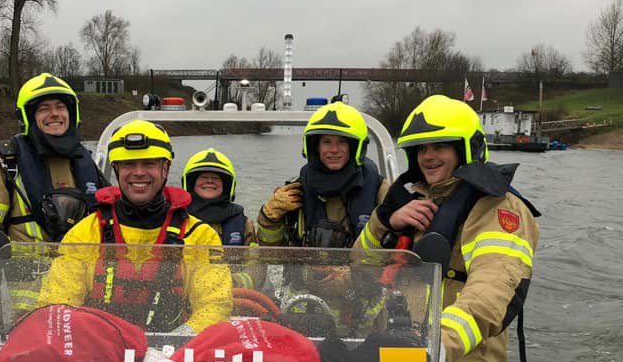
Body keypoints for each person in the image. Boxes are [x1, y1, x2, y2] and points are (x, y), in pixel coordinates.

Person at [357, 95, 540, 362]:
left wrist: (434, 346)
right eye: (420, 149)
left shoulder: (499, 211)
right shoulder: (408, 202)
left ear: (467, 149)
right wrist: (386, 221)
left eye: (440, 146)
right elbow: (355, 273)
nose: (428, 157)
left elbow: (488, 296)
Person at [37, 120, 232, 335]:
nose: (138, 173)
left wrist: (177, 341)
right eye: (129, 164)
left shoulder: (200, 236)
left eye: (148, 164)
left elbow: (215, 306)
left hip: (173, 359)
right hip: (99, 353)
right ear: (116, 169)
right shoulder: (85, 233)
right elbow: (57, 304)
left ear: (165, 168)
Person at [255, 102, 389, 330]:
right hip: (304, 316)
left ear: (356, 147)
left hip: (361, 319)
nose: (333, 149)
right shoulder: (294, 192)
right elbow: (272, 255)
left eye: (341, 142)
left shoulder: (380, 192)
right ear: (315, 147)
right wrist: (269, 218)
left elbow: (395, 259)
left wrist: (349, 276)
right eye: (326, 142)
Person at [0, 72, 107, 248]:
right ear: (28, 117)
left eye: (60, 107)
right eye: (44, 108)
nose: (54, 114)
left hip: (81, 273)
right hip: (24, 274)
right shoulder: (4, 164)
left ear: (72, 113)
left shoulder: (86, 162)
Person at [181, 148, 266, 293]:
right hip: (183, 296)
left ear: (227, 185)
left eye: (216, 178)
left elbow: (256, 264)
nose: (209, 181)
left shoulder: (243, 224)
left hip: (232, 297)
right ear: (191, 182)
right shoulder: (176, 221)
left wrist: (233, 282)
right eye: (203, 176)